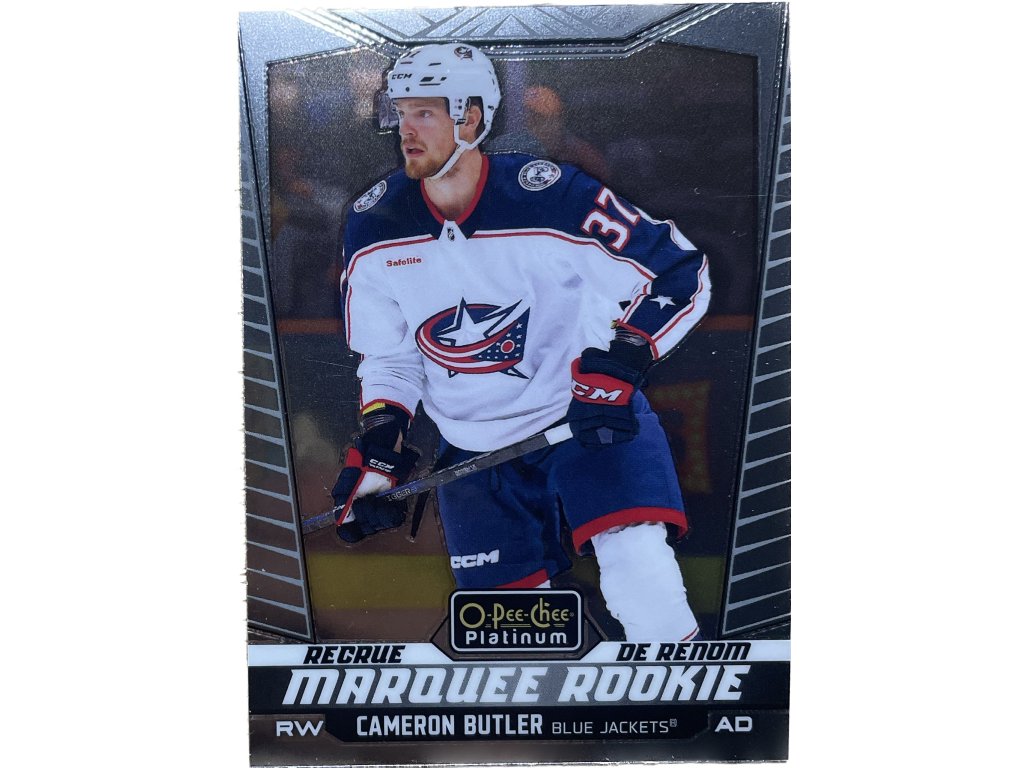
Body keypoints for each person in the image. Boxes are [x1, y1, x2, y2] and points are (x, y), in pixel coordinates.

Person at [331, 43, 711, 642]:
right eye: (400, 112)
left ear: (471, 118)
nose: (405, 129)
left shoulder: (553, 197)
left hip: (584, 418)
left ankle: (684, 692)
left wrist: (622, 361)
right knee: (510, 636)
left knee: (642, 580)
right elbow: (389, 356)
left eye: (424, 112)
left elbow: (679, 271)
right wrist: (381, 443)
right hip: (472, 449)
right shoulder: (373, 224)